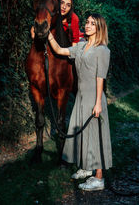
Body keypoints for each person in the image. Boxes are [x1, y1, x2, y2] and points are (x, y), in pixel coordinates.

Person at [48, 13, 112, 191]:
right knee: (82, 134)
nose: (89, 25)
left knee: (96, 135)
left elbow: (101, 78)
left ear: (99, 28)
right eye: (88, 22)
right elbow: (60, 50)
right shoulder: (81, 46)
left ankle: (98, 178)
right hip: (81, 96)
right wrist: (49, 35)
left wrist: (98, 102)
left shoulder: (103, 50)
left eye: (93, 23)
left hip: (94, 97)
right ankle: (86, 167)